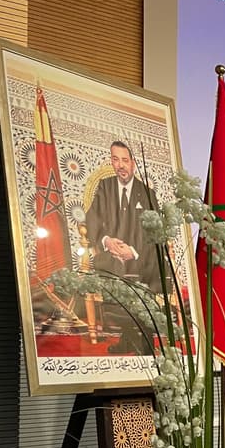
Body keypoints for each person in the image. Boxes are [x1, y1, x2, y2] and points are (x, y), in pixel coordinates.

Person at [84, 140, 162, 353]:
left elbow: (155, 232)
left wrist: (133, 252)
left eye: (125, 160)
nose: (120, 165)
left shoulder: (147, 194)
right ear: (111, 161)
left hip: (140, 257)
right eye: (115, 159)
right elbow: (90, 219)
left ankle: (144, 341)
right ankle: (130, 338)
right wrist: (106, 241)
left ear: (133, 163)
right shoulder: (105, 187)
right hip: (111, 257)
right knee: (110, 269)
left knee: (137, 278)